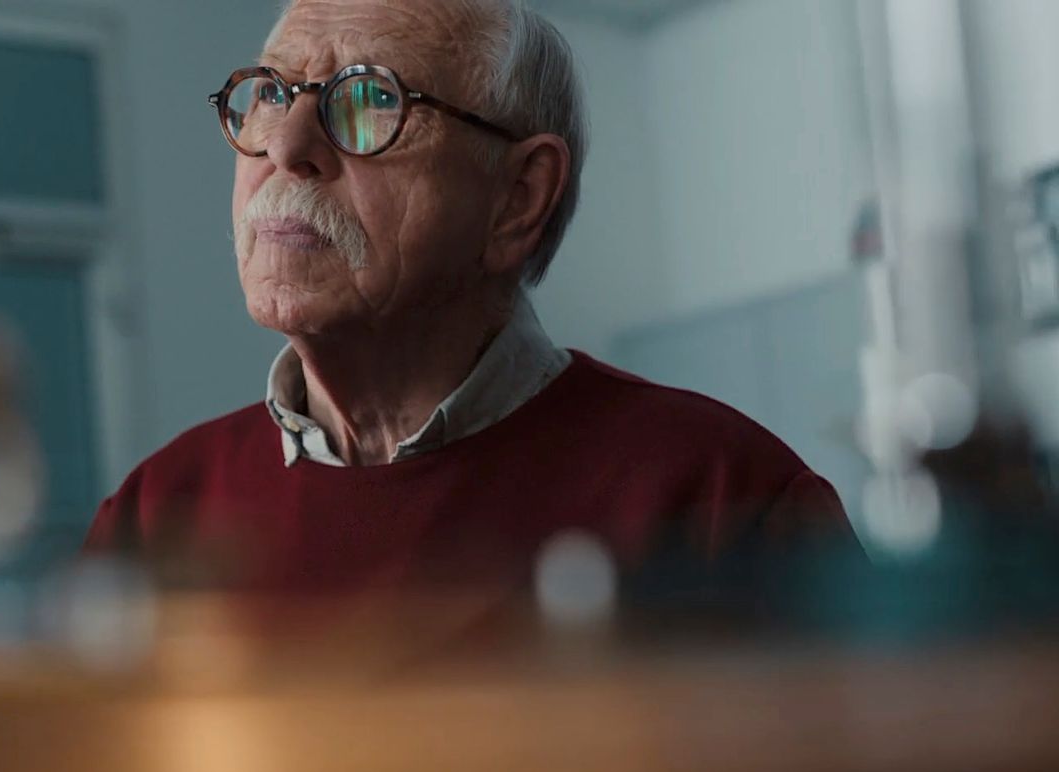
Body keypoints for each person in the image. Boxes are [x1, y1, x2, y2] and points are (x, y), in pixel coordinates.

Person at [85, 0, 862, 626]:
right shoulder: (155, 516)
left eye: (370, 100)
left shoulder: (728, 501)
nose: (286, 145)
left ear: (516, 199)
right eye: (271, 95)